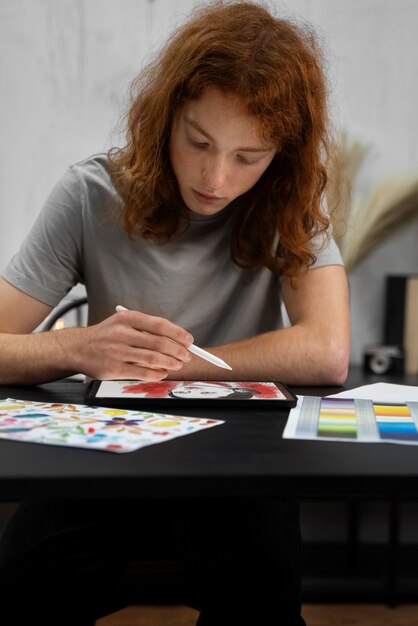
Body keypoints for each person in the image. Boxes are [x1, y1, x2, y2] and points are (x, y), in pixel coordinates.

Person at [0, 1, 350, 624]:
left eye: (249, 156)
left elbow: (326, 351)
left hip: (236, 466)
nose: (216, 177)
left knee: (263, 600)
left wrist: (178, 366)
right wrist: (77, 349)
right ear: (165, 119)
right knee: (23, 588)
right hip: (106, 455)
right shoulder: (90, 192)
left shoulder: (290, 199)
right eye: (199, 142)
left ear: (282, 155)